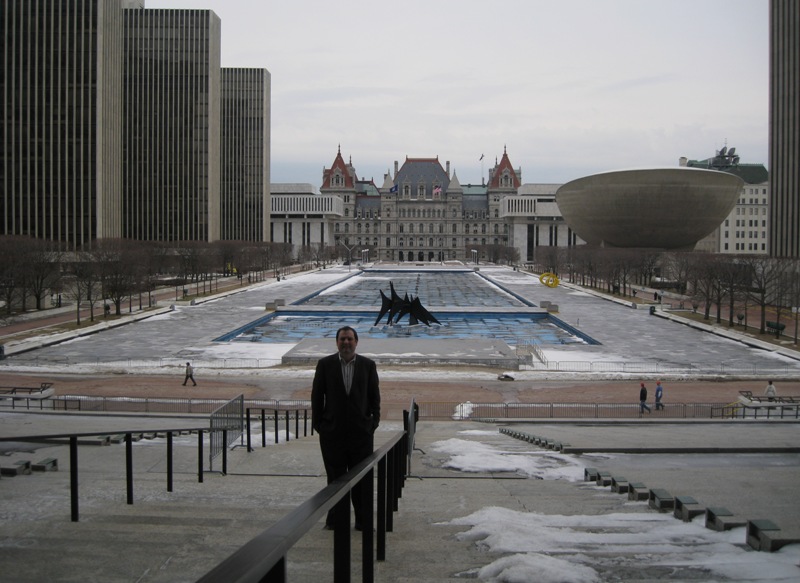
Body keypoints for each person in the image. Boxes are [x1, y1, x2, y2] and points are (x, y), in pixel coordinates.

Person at [312, 326, 381, 531]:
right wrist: (320, 426)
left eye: (350, 339)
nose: (346, 343)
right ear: (337, 342)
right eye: (342, 339)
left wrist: (372, 423)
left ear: (356, 342)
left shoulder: (368, 366)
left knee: (361, 480)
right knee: (335, 479)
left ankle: (362, 520)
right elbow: (317, 397)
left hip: (361, 435)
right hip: (333, 434)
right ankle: (334, 520)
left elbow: (374, 398)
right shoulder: (325, 365)